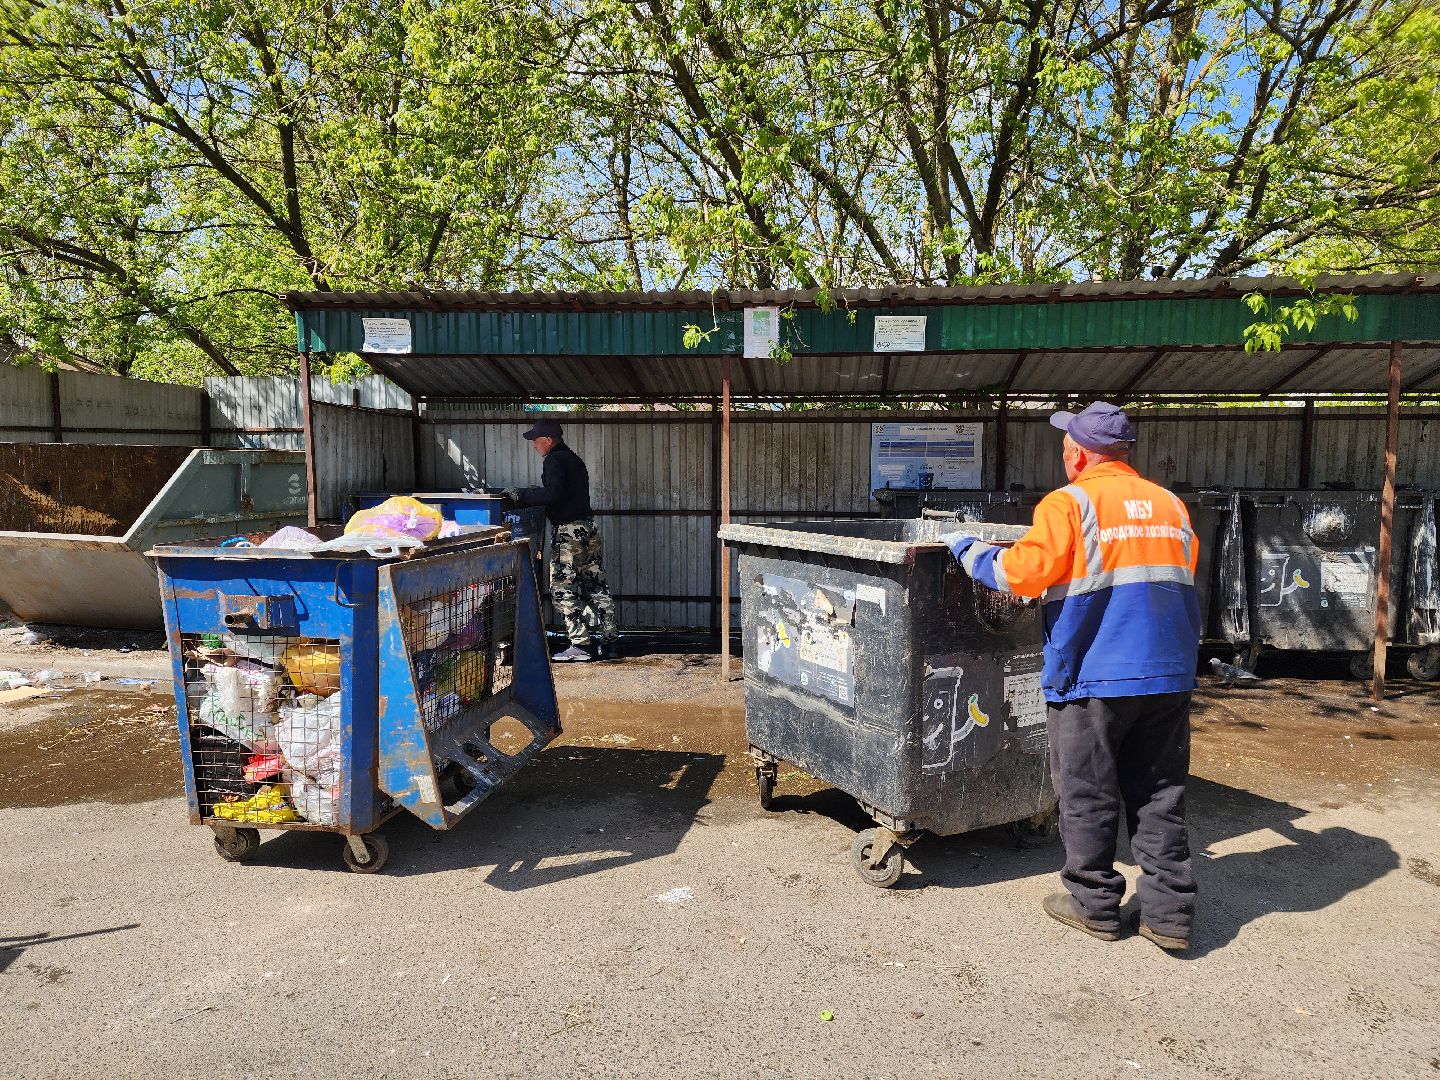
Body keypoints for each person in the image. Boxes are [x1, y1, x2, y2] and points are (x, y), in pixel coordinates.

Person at [947, 402, 1201, 951]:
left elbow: (1022, 573)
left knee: (1087, 789)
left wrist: (968, 550)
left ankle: (1094, 905)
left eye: (1066, 446)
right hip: (1169, 672)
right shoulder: (1171, 505)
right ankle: (1169, 915)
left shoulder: (1070, 502)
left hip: (1095, 672)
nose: (1064, 454)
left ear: (1081, 455)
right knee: (1160, 793)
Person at [504, 419, 619, 662]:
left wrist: (522, 495)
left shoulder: (554, 460)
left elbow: (553, 493)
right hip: (587, 528)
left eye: (536, 440)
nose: (534, 445)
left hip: (568, 532)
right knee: (595, 584)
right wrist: (536, 492)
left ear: (548, 440)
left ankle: (580, 645)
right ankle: (609, 642)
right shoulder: (574, 459)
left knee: (561, 588)